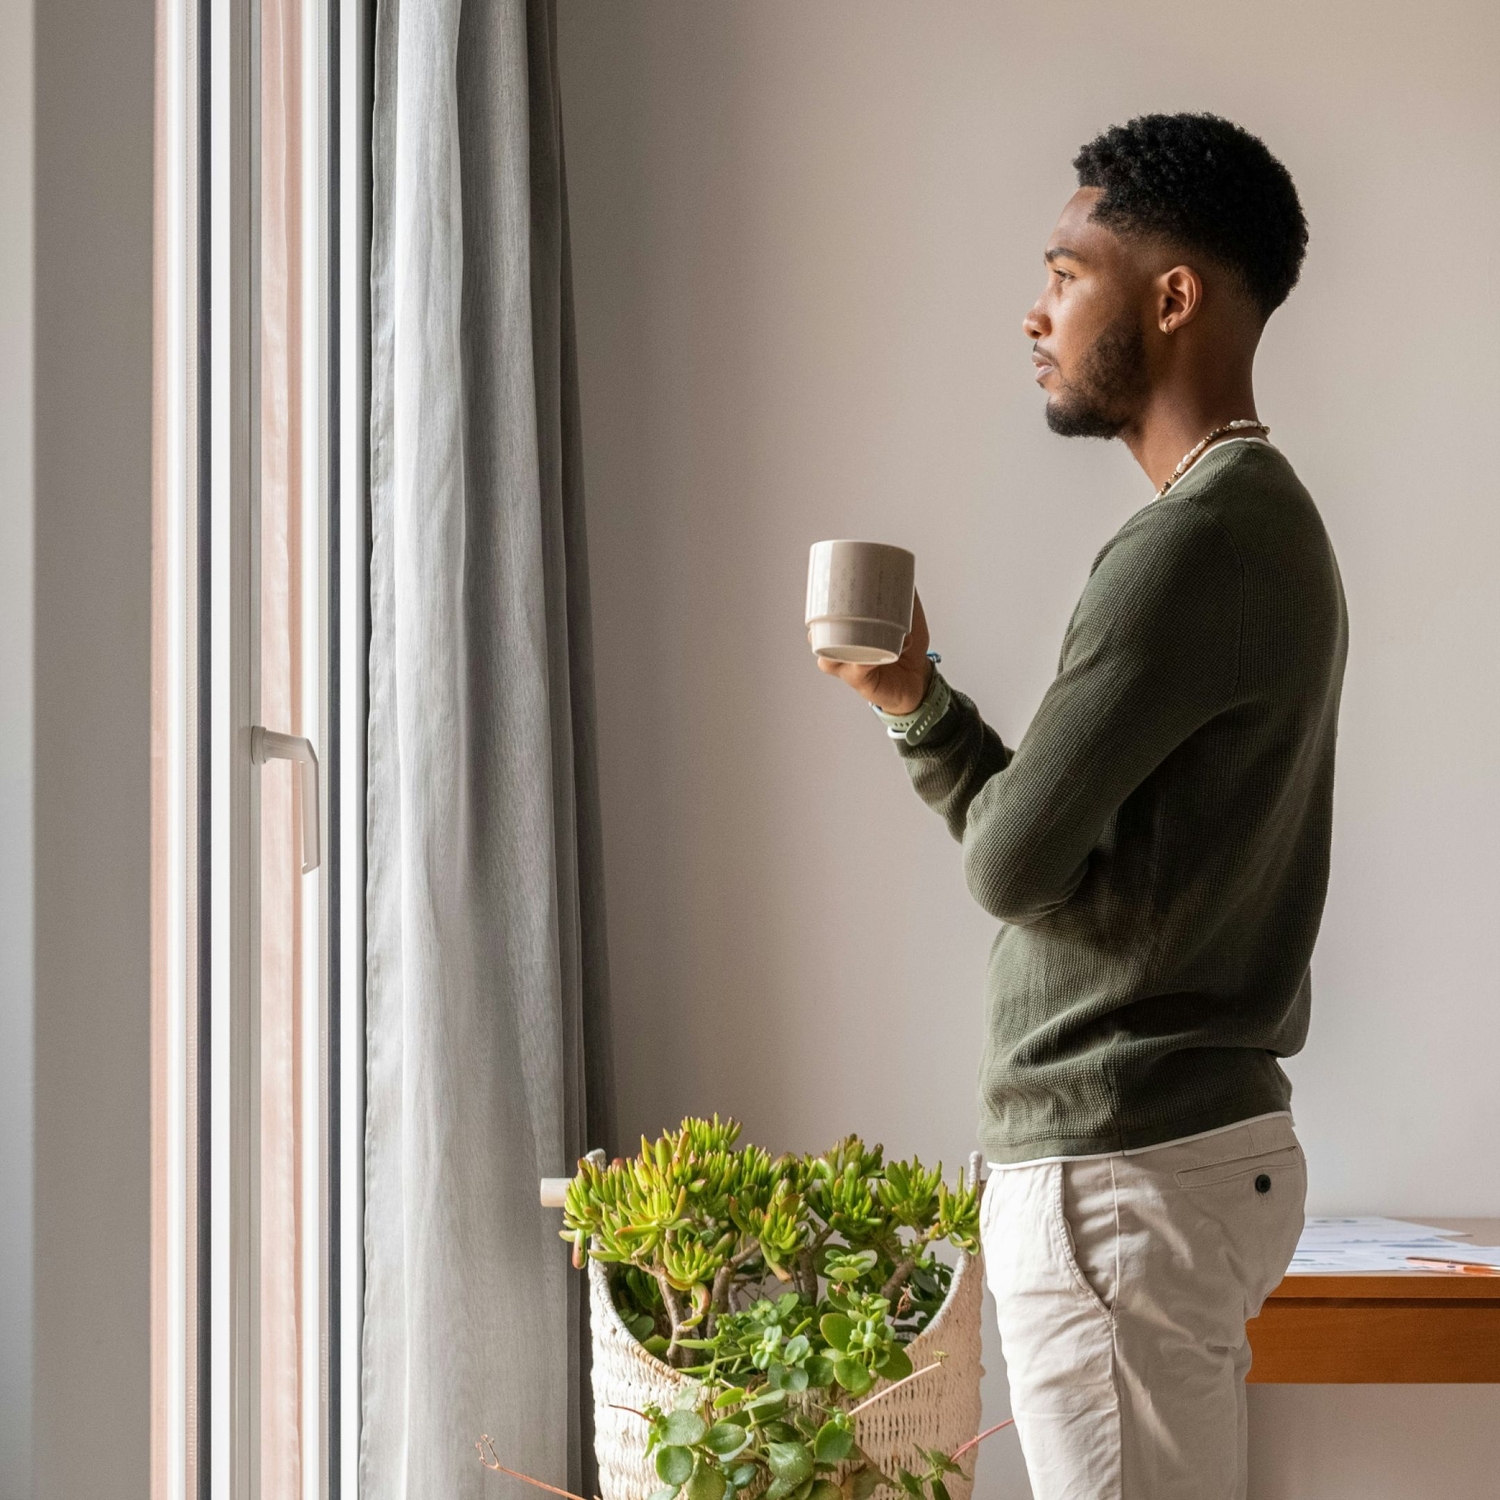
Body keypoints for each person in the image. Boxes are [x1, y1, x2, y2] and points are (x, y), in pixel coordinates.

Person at [816, 113, 1348, 1500]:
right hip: (1169, 1161)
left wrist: (915, 706)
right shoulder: (1259, 520)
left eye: (1066, 270)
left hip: (1124, 1172)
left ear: (1171, 298)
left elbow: (1011, 858)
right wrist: (916, 693)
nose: (1035, 311)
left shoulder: (1187, 548)